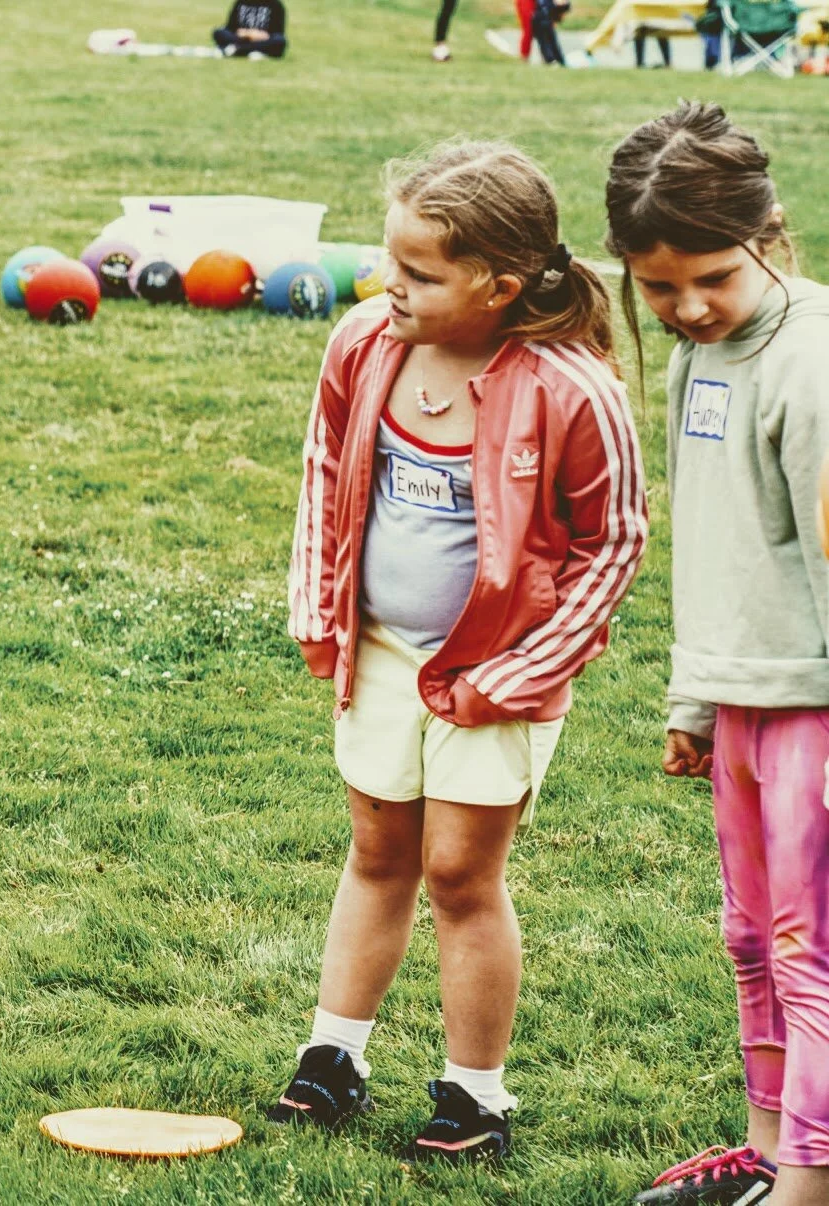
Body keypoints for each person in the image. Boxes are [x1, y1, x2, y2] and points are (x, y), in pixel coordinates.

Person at [275, 139, 646, 1162]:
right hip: (385, 654)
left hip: (503, 667)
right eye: (389, 263)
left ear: (499, 285)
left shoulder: (571, 389)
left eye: (418, 274)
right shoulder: (363, 342)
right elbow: (322, 470)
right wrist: (318, 606)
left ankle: (474, 1096)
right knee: (377, 848)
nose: (386, 286)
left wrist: (517, 677)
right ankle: (332, 1058)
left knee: (457, 872)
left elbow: (611, 543)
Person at [609, 102, 829, 1206]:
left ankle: (807, 1184)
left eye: (709, 277)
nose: (686, 306)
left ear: (765, 235)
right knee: (747, 934)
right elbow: (708, 538)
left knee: (809, 950)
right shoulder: (696, 362)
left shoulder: (812, 365)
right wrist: (693, 697)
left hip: (814, 711)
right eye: (657, 287)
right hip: (743, 701)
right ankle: (762, 1151)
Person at [215, 0, 288, 58]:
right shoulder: (240, 2)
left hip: (262, 40)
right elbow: (230, 27)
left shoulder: (276, 4)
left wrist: (257, 36)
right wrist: (248, 34)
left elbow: (278, 32)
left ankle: (238, 49)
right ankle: (251, 50)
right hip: (241, 38)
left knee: (279, 41)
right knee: (219, 32)